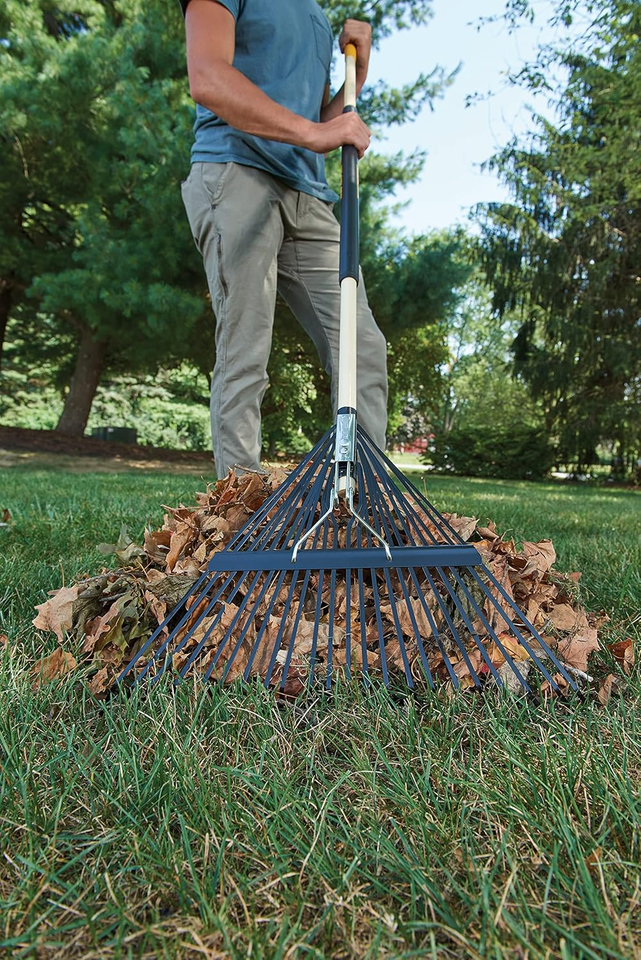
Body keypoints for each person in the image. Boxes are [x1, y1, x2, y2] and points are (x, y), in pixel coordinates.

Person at [179, 0, 388, 476]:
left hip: (306, 193)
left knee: (361, 346)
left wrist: (359, 72)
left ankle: (361, 499)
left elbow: (318, 119)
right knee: (245, 349)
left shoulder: (314, 15)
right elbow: (208, 77)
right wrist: (315, 132)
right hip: (237, 171)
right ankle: (239, 511)